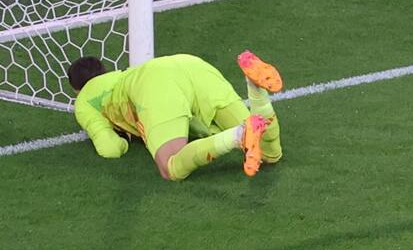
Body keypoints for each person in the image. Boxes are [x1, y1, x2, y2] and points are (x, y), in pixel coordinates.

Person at [68, 51, 283, 182]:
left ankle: (237, 136)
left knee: (170, 166)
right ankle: (256, 90)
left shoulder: (84, 101)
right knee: (269, 154)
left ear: (76, 90)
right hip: (191, 65)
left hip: (156, 82)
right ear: (105, 71)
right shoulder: (120, 75)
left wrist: (123, 142)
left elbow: (110, 149)